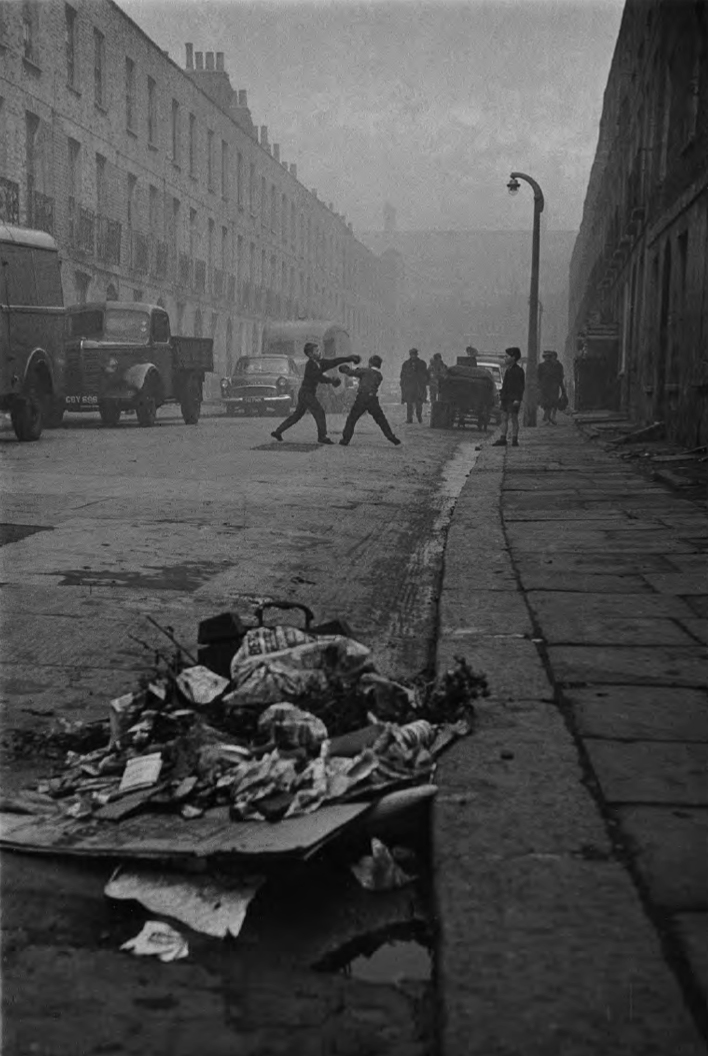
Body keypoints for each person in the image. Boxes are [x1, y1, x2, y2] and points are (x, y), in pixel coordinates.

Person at [271, 342, 360, 444]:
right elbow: (318, 377)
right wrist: (331, 380)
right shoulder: (311, 365)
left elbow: (334, 362)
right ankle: (322, 437)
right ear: (310, 354)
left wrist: (348, 359)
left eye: (319, 350)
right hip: (306, 393)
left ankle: (278, 432)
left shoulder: (319, 363)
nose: (319, 352)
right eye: (316, 351)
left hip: (306, 393)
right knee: (319, 412)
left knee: (296, 416)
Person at [338, 355, 401, 446]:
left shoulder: (364, 371)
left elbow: (351, 373)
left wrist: (345, 369)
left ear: (370, 363)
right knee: (381, 419)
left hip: (362, 398)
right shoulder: (379, 376)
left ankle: (345, 439)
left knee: (352, 419)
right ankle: (390, 436)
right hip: (373, 399)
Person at [492, 347, 525, 447]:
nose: (505, 358)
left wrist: (518, 399)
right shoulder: (508, 370)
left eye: (507, 356)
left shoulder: (518, 371)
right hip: (506, 398)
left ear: (513, 357)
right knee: (504, 418)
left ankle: (514, 439)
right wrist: (501, 394)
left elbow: (520, 387)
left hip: (513, 398)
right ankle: (503, 437)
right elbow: (505, 385)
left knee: (514, 418)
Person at [400, 348, 429, 423]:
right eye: (412, 354)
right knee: (409, 403)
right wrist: (403, 383)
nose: (413, 356)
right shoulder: (406, 364)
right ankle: (409, 418)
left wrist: (425, 381)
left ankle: (419, 417)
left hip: (419, 386)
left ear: (416, 354)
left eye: (414, 354)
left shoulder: (422, 363)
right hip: (409, 386)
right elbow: (402, 375)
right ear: (410, 355)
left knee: (419, 403)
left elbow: (426, 374)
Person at [537, 349, 566, 425]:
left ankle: (549, 418)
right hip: (544, 388)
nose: (548, 358)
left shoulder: (556, 366)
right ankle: (548, 417)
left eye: (549, 357)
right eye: (546, 357)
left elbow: (560, 377)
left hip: (553, 387)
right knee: (545, 404)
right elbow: (538, 377)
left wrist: (562, 388)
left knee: (553, 403)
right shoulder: (541, 366)